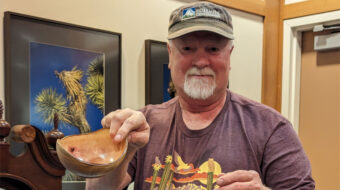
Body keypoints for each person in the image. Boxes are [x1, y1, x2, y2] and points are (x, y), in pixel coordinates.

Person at [86, 2, 315, 189]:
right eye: (187, 49)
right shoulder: (142, 125)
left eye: (213, 49)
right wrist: (122, 149)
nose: (201, 61)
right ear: (170, 54)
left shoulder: (270, 128)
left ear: (229, 55)